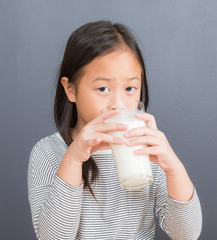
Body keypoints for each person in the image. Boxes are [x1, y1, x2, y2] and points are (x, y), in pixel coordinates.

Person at [28, 20, 202, 239]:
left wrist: (174, 168)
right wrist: (73, 159)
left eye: (130, 88)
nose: (118, 104)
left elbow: (187, 234)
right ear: (71, 90)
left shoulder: (146, 151)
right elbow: (53, 237)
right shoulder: (48, 152)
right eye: (103, 88)